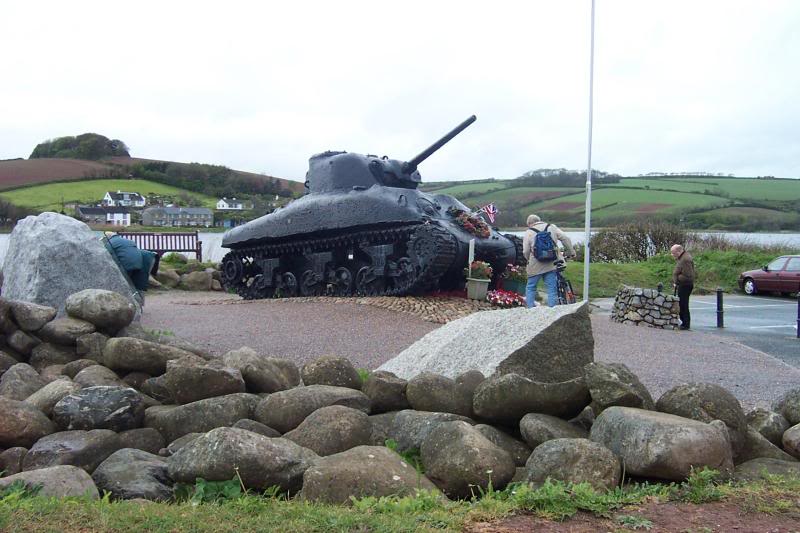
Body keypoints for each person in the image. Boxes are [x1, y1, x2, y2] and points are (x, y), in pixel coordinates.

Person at [522, 214, 575, 308]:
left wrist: (528, 260)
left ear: (530, 223)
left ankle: (530, 310)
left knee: (531, 287)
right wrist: (571, 252)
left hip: (535, 264)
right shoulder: (552, 227)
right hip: (552, 262)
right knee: (551, 288)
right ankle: (551, 311)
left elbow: (526, 251)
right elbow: (565, 238)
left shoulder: (528, 232)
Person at [670, 243, 695, 330]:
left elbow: (688, 275)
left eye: (673, 253)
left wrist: (677, 279)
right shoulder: (682, 258)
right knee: (681, 303)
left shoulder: (685, 259)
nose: (672, 255)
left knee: (683, 304)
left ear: (679, 251)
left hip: (685, 285)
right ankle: (683, 323)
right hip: (683, 284)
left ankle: (685, 324)